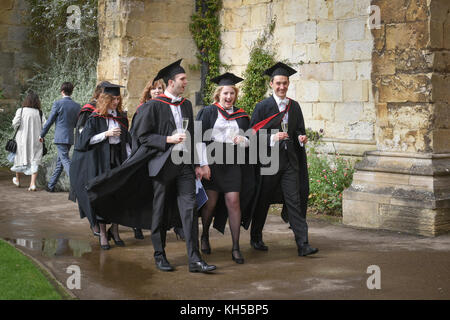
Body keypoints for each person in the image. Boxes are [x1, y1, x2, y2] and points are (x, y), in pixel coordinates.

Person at [249, 62, 318, 257]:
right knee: (263, 201)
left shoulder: (294, 106)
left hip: (289, 162)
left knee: (294, 201)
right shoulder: (262, 107)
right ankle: (256, 236)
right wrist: (272, 137)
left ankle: (303, 244)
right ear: (271, 84)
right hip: (268, 163)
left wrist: (300, 138)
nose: (282, 87)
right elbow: (252, 134)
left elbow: (299, 130)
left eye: (285, 83)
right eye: (278, 83)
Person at [196, 72, 254, 264]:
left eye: (232, 94)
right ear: (218, 94)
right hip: (212, 161)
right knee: (210, 203)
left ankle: (236, 247)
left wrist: (243, 140)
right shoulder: (208, 112)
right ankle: (204, 235)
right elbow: (199, 140)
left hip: (233, 161)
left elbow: (250, 142)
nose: (229, 97)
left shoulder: (242, 116)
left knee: (233, 202)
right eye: (226, 93)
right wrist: (202, 164)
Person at [69, 83, 131, 250]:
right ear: (105, 99)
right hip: (101, 160)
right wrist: (106, 134)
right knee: (102, 197)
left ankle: (115, 231)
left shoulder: (122, 117)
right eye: (113, 99)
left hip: (118, 158)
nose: (116, 102)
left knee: (119, 197)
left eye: (118, 99)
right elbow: (84, 141)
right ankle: (103, 234)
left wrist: (130, 159)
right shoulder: (95, 117)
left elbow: (126, 142)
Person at [40, 82, 80, 192]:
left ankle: (77, 184)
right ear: (71, 92)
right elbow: (77, 124)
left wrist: (42, 134)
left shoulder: (58, 104)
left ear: (62, 91)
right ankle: (50, 186)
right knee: (60, 163)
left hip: (60, 137)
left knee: (65, 160)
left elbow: (49, 121)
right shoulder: (77, 106)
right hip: (70, 137)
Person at [10, 91, 46, 191]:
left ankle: (17, 180)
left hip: (22, 140)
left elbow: (15, 123)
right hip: (36, 140)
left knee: (19, 158)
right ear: (37, 101)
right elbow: (45, 125)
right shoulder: (40, 112)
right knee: (35, 160)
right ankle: (32, 184)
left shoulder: (20, 111)